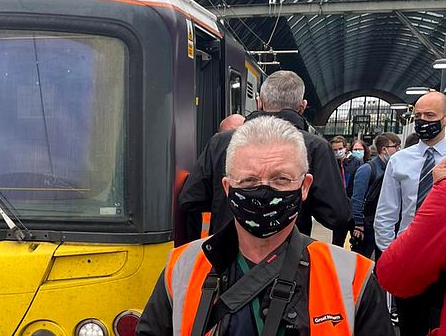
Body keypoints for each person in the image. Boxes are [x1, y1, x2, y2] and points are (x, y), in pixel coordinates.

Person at [137, 117, 394, 336]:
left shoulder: (353, 278)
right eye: (249, 180)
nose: (263, 192)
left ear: (304, 186)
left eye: (280, 179)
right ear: (228, 188)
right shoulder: (182, 268)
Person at [179, 71, 349, 242]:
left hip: (224, 254)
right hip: (288, 257)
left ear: (259, 102)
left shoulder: (220, 142)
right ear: (302, 106)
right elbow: (338, 215)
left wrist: (228, 206)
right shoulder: (315, 147)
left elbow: (190, 199)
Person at [375, 91, 446, 336]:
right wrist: (390, 252)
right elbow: (386, 212)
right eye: (418, 116)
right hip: (410, 258)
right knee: (410, 326)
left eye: (430, 115)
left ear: (445, 118)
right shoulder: (400, 160)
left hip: (442, 260)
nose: (424, 121)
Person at [350, 133, 400, 259]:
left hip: (384, 224)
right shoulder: (367, 169)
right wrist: (359, 224)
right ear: (384, 149)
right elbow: (357, 198)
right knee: (364, 259)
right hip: (368, 225)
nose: (399, 150)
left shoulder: (393, 168)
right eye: (396, 147)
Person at [329, 135, 361, 246]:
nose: (338, 152)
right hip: (340, 210)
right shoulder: (331, 164)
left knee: (356, 242)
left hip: (353, 208)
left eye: (340, 149)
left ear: (345, 148)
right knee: (337, 243)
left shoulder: (356, 163)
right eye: (335, 150)